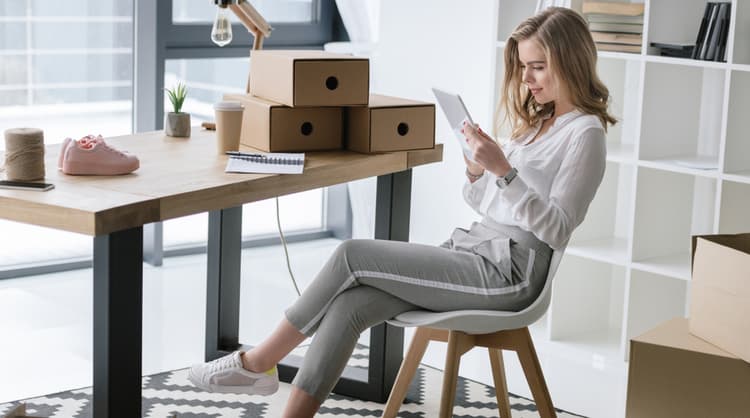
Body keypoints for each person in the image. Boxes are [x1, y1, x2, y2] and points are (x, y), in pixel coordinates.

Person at [187, 6, 616, 417]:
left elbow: (557, 229)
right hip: (476, 249)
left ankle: (258, 361)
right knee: (351, 305)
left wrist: (502, 169)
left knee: (352, 255)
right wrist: (477, 171)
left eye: (537, 66)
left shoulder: (585, 135)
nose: (526, 79)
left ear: (569, 60)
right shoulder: (538, 123)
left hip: (511, 274)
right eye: (523, 67)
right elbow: (495, 205)